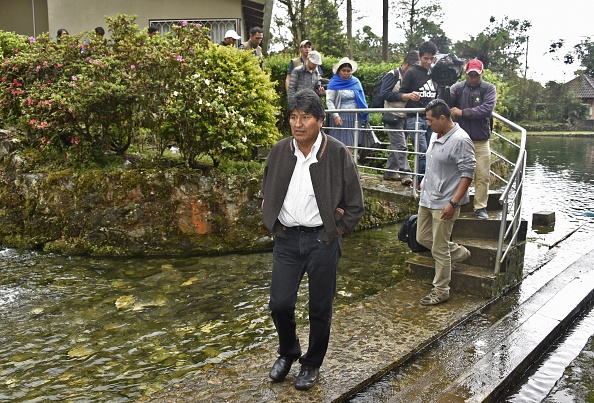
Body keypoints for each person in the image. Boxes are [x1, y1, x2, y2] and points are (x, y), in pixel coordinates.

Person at [261, 88, 364, 390]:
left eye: (305, 117)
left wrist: (336, 230)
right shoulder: (280, 151)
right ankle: (288, 351)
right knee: (279, 303)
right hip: (287, 239)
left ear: (320, 120)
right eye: (293, 117)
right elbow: (266, 190)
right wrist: (270, 216)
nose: (298, 123)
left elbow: (356, 203)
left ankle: (312, 363)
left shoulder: (336, 153)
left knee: (320, 308)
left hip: (322, 240)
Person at [416, 99, 475, 306]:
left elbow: (467, 174)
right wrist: (423, 182)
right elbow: (433, 163)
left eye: (431, 120)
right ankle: (459, 252)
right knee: (422, 237)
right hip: (428, 197)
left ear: (443, 118)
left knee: (439, 248)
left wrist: (454, 202)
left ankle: (441, 290)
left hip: (445, 201)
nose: (428, 124)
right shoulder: (435, 134)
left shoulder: (461, 140)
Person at [449, 59, 497, 220]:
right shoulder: (456, 89)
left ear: (481, 73)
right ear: (466, 73)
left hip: (481, 140)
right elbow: (445, 104)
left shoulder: (489, 89)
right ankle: (455, 204)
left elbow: (486, 109)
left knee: (482, 175)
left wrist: (462, 112)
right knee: (456, 175)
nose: (474, 78)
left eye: (476, 74)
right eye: (471, 74)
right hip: (459, 141)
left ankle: (480, 207)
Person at [397, 41, 438, 183]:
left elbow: (439, 94)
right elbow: (400, 94)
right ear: (420, 57)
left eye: (431, 58)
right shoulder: (411, 72)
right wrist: (409, 96)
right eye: (426, 58)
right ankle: (421, 183)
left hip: (432, 119)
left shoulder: (435, 73)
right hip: (414, 118)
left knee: (432, 152)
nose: (428, 61)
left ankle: (427, 182)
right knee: (422, 152)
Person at [379, 50, 419, 185]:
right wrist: (404, 97)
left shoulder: (412, 77)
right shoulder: (393, 75)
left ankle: (390, 172)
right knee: (401, 146)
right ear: (406, 64)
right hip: (392, 115)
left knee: (397, 146)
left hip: (406, 116)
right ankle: (406, 175)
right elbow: (384, 94)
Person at [326, 57, 369, 147]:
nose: (346, 73)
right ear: (338, 71)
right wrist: (335, 115)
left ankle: (350, 161)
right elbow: (329, 101)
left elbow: (362, 99)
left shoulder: (356, 82)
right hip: (340, 118)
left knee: (352, 144)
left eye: (348, 71)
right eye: (343, 70)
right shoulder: (333, 82)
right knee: (339, 145)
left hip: (354, 117)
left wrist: (364, 114)